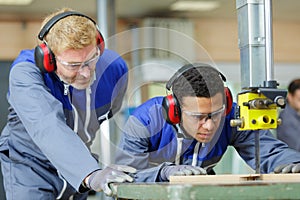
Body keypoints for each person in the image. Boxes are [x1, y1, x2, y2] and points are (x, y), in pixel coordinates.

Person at [0, 8, 136, 199]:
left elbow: (109, 111)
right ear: (49, 58)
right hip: (31, 165)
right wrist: (90, 174)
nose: (86, 73)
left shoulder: (115, 69)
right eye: (73, 65)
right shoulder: (26, 73)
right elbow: (47, 126)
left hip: (78, 160)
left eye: (91, 59)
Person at [115, 63, 300, 182]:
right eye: (198, 117)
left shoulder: (232, 116)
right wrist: (163, 173)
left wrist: (293, 162)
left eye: (216, 114)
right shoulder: (144, 122)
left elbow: (269, 151)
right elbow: (126, 175)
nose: (210, 125)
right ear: (175, 110)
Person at [277, 79, 300, 151]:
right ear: (290, 97)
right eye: (299, 100)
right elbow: (295, 148)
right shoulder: (287, 119)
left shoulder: (295, 115)